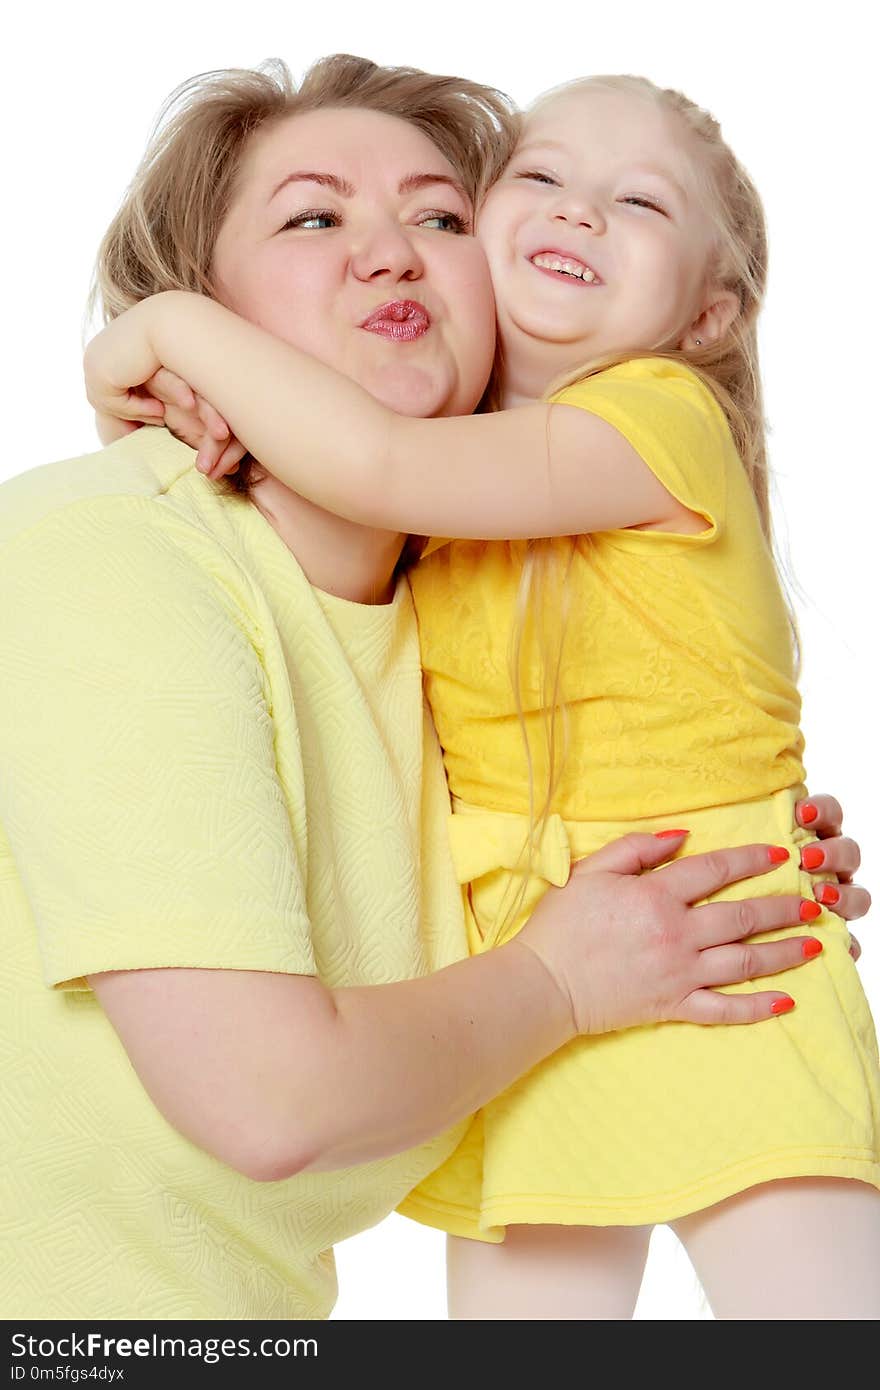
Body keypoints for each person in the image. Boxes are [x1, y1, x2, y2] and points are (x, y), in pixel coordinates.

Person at [85, 70, 880, 1319]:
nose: (577, 215)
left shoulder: (653, 415)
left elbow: (375, 459)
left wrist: (163, 327)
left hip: (724, 943)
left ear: (712, 313)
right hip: (528, 985)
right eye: (542, 179)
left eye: (639, 203)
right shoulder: (414, 531)